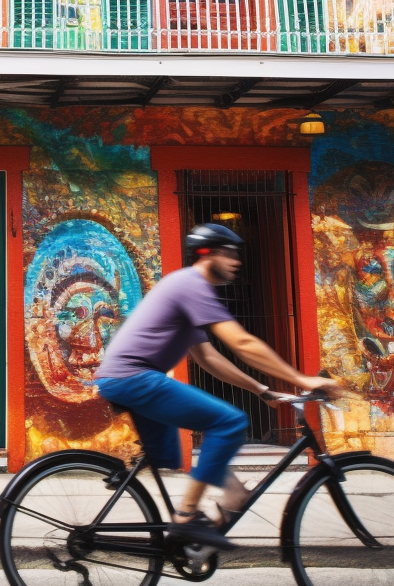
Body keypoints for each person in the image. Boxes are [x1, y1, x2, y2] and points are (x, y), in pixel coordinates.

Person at [94, 223, 344, 548]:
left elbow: (208, 357)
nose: (236, 260)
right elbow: (240, 342)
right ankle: (185, 518)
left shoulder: (186, 289)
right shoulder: (191, 284)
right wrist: (301, 379)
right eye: (228, 253)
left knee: (169, 456)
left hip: (125, 378)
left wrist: (260, 389)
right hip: (134, 377)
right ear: (206, 253)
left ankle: (211, 514)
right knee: (229, 422)